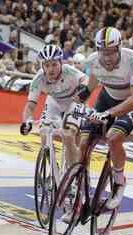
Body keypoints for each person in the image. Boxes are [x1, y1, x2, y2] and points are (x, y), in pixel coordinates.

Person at [74, 27, 133, 210]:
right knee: (83, 142)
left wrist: (111, 113)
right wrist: (74, 105)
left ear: (120, 47)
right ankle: (79, 188)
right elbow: (88, 89)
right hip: (106, 99)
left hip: (130, 102)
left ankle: (119, 181)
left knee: (113, 138)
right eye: (103, 51)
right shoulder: (92, 61)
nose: (106, 57)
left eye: (111, 52)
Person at [20, 44, 89, 172]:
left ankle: (73, 174)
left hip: (74, 100)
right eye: (47, 65)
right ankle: (53, 171)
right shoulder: (38, 79)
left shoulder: (69, 70)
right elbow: (30, 106)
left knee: (69, 135)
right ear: (42, 66)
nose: (51, 69)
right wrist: (26, 121)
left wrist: (82, 89)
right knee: (44, 132)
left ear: (61, 63)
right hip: (54, 101)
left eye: (54, 65)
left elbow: (86, 79)